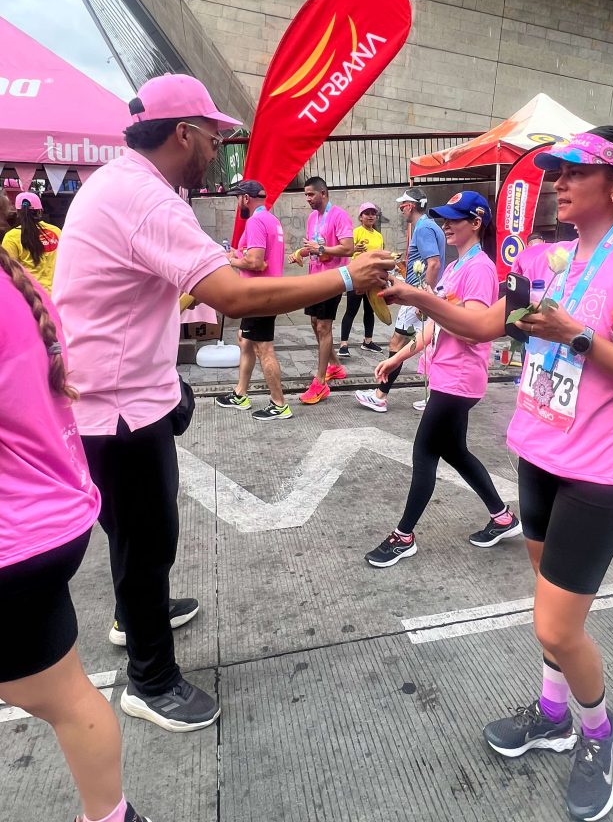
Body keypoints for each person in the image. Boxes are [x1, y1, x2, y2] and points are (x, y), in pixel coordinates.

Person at [53, 75, 393, 733]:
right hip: (116, 407)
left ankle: (135, 614)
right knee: (148, 537)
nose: (221, 150)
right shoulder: (149, 200)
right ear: (183, 134)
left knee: (138, 532)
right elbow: (235, 296)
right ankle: (151, 681)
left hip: (113, 394)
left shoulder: (118, 183)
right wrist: (347, 276)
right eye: (216, 137)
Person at [381, 127, 613, 821]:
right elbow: (492, 325)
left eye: (572, 171)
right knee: (550, 609)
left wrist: (580, 336)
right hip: (538, 454)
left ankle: (600, 734)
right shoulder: (552, 260)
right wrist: (414, 295)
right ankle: (553, 715)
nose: (556, 181)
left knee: (555, 628)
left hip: (598, 472)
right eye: (553, 171)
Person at [0, 247, 151, 822]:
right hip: (51, 518)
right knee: (63, 693)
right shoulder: (19, 286)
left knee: (54, 695)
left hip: (18, 535)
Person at [365, 191, 522, 567]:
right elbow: (435, 326)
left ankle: (403, 535)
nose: (446, 225)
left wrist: (421, 300)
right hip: (446, 375)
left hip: (460, 379)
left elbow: (474, 332)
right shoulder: (455, 268)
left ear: (476, 222)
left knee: (424, 454)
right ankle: (502, 517)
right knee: (455, 451)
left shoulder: (480, 269)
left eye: (455, 218)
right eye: (444, 218)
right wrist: (397, 358)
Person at [356, 187, 445, 412]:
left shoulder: (423, 227)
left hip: (415, 294)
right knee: (433, 344)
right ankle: (435, 397)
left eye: (403, 205)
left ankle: (379, 396)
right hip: (421, 294)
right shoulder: (429, 226)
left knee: (397, 343)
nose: (400, 209)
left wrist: (423, 298)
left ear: (412, 206)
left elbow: (433, 263)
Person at [215, 179, 292, 421]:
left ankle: (279, 403)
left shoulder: (256, 220)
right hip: (264, 292)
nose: (238, 204)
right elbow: (258, 256)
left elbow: (257, 262)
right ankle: (240, 393)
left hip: (259, 294)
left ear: (246, 199)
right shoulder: (271, 219)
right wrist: (238, 253)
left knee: (263, 348)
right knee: (245, 341)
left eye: (238, 199)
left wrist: (231, 260)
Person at [289, 176, 354, 405]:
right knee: (315, 323)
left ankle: (320, 383)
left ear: (323, 193)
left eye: (311, 194)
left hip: (332, 279)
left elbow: (348, 248)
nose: (307, 198)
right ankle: (335, 366)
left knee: (324, 326)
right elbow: (313, 247)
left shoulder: (339, 215)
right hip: (314, 278)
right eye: (306, 194)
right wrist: (300, 253)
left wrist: (322, 248)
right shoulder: (311, 218)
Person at [339, 202, 385, 358]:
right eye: (367, 213)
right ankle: (343, 344)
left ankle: (368, 341)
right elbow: (347, 253)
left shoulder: (378, 236)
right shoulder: (356, 232)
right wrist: (354, 249)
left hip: (373, 278)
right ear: (361, 217)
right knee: (351, 310)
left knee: (370, 310)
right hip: (357, 277)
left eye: (373, 213)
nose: (371, 216)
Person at [1, 190, 61, 292]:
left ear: (17, 212)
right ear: (40, 211)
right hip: (56, 293)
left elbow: (10, 271)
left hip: (32, 297)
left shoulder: (11, 237)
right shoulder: (56, 231)